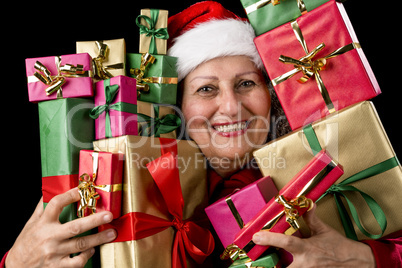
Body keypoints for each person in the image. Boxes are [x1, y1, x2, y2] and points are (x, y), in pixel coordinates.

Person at [3, 1, 402, 267]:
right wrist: (18, 262)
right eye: (206, 89)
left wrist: (363, 257)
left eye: (246, 83)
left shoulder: (338, 174)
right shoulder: (119, 196)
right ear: (176, 111)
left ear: (272, 96)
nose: (230, 107)